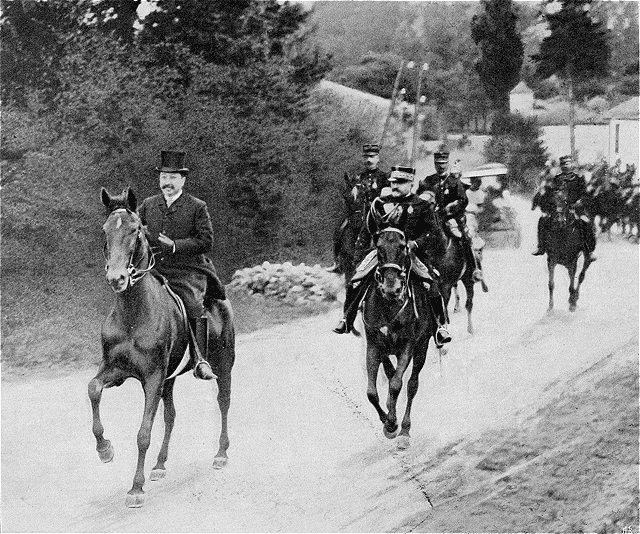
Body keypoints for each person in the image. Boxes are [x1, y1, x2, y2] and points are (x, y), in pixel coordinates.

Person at [332, 165, 452, 347]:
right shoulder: (379, 203)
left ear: (411, 183)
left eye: (400, 182)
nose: (395, 186)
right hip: (383, 254)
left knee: (431, 284)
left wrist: (416, 243)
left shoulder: (421, 205)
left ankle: (439, 327)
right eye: (393, 182)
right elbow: (366, 232)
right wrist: (358, 258)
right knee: (355, 281)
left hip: (411, 254)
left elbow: (433, 232)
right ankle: (347, 319)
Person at [138, 150, 226, 380]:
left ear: (183, 180)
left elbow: (206, 241)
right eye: (163, 177)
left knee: (192, 304)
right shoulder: (148, 205)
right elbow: (135, 232)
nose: (167, 182)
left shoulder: (197, 206)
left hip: (187, 271)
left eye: (172, 177)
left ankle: (200, 359)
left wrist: (176, 245)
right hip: (155, 269)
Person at [417, 151, 483, 282]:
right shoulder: (429, 180)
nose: (441, 166)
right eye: (438, 163)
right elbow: (419, 198)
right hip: (432, 217)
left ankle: (474, 269)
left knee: (466, 237)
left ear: (447, 164)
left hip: (451, 218)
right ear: (435, 164)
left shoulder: (454, 181)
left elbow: (463, 200)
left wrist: (450, 208)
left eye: (443, 163)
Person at [327, 144, 390, 274]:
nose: (369, 160)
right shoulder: (357, 177)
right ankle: (338, 262)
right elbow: (347, 197)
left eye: (372, 157)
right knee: (339, 230)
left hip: (376, 215)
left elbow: (389, 197)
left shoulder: (384, 177)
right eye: (366, 157)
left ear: (378, 158)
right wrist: (351, 192)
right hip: (358, 214)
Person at [531, 154, 597, 261]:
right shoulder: (556, 179)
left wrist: (579, 202)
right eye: (563, 164)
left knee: (586, 222)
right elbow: (549, 193)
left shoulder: (578, 178)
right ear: (560, 166)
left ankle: (589, 251)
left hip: (575, 208)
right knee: (543, 220)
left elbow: (585, 194)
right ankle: (541, 246)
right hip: (559, 208)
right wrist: (550, 202)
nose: (565, 166)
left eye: (567, 163)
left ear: (571, 165)